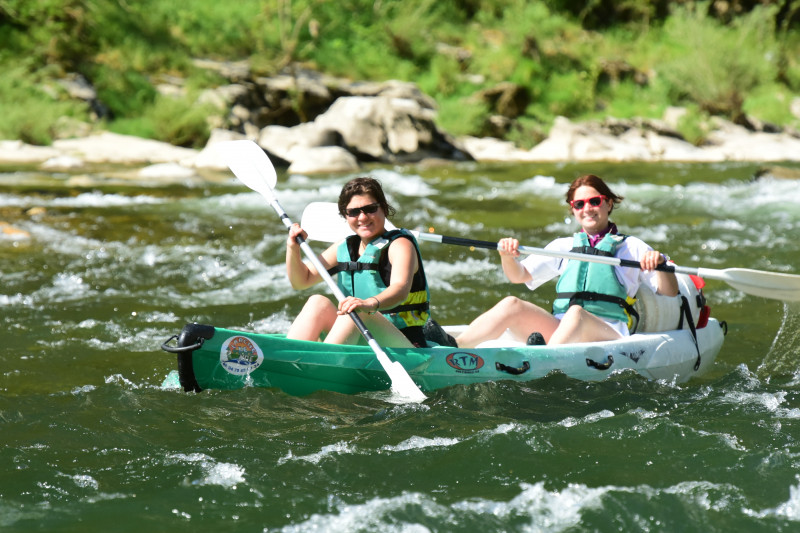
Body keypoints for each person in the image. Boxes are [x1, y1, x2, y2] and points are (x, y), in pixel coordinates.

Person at [455, 174, 678, 348]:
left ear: (608, 204)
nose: (587, 208)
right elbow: (518, 275)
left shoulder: (632, 247)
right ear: (573, 210)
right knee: (511, 304)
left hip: (608, 332)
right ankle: (454, 347)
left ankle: (544, 359)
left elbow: (669, 292)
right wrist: (506, 256)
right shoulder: (563, 246)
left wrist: (660, 264)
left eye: (594, 201)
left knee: (576, 313)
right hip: (561, 330)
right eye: (579, 204)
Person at [285, 177, 432, 347]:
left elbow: (400, 289)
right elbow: (301, 281)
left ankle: (320, 365)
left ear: (383, 209)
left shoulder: (400, 245)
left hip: (405, 343)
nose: (362, 217)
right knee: (317, 302)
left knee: (356, 312)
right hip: (362, 336)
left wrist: (368, 304)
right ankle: (291, 358)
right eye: (354, 212)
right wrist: (292, 248)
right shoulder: (345, 246)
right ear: (345, 216)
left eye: (370, 209)